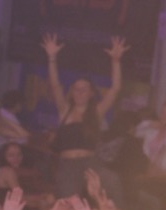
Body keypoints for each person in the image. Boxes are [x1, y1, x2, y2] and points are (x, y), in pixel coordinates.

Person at [42, 33, 127, 199]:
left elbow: (115, 89)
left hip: (91, 164)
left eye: (84, 89)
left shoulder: (96, 111)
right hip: (68, 165)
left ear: (91, 93)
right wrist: (52, 58)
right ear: (72, 92)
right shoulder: (64, 109)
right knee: (69, 201)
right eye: (76, 89)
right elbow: (55, 85)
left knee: (113, 181)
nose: (79, 92)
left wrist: (116, 61)